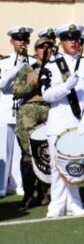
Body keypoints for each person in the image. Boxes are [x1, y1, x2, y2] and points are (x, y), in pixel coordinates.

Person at [40, 23, 84, 218]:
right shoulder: (51, 66)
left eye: (75, 39)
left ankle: (74, 203)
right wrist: (66, 86)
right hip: (58, 123)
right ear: (61, 42)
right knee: (57, 166)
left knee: (76, 165)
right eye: (68, 39)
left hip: (79, 123)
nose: (73, 42)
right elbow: (47, 95)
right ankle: (56, 205)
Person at [14, 36, 51, 208]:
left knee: (47, 154)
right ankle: (28, 194)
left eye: (49, 47)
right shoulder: (27, 69)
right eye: (42, 47)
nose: (46, 50)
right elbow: (17, 91)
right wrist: (35, 81)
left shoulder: (57, 69)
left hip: (50, 110)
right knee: (29, 155)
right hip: (29, 110)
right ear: (36, 51)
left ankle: (45, 193)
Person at [1, 25, 32, 198]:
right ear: (11, 41)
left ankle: (17, 184)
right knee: (3, 150)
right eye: (19, 39)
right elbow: (2, 83)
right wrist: (18, 66)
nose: (22, 42)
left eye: (25, 39)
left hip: (24, 112)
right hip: (5, 112)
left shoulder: (33, 62)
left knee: (21, 152)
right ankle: (1, 186)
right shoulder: (3, 63)